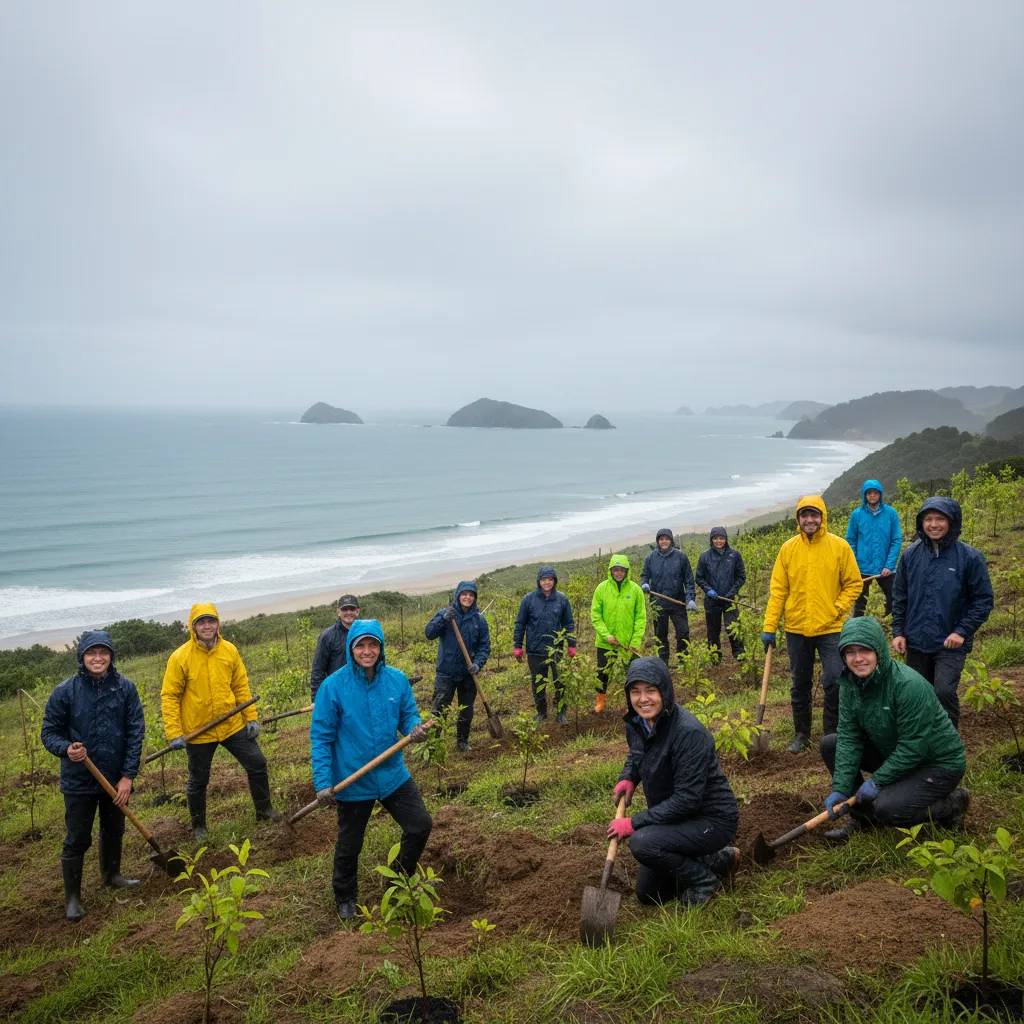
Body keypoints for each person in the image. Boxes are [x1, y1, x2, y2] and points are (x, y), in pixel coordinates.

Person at [311, 619, 433, 920]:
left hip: (392, 774)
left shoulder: (396, 680)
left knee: (420, 825)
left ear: (381, 647)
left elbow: (407, 715)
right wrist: (323, 782)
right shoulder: (333, 687)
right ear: (352, 648)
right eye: (361, 645)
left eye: (373, 645)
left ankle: (395, 879)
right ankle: (345, 896)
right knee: (350, 844)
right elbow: (321, 737)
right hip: (354, 779)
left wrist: (413, 729)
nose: (368, 651)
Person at [819, 616, 969, 843]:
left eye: (865, 651)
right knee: (832, 744)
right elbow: (850, 737)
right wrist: (841, 787)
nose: (858, 659)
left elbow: (913, 746)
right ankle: (865, 819)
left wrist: (878, 781)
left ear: (878, 650)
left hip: (936, 763)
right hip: (895, 751)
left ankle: (952, 804)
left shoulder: (908, 685)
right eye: (850, 652)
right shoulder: (850, 685)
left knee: (889, 809)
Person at [608, 657, 739, 906]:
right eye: (635, 692)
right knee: (649, 894)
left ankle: (703, 881)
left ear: (664, 691)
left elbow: (687, 800)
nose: (643, 699)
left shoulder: (689, 733)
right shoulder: (638, 722)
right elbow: (638, 752)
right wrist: (628, 777)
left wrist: (633, 822)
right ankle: (717, 860)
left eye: (651, 691)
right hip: (676, 816)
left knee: (642, 842)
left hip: (710, 819)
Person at [41, 630, 145, 921]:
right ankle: (72, 898)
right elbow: (49, 732)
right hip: (79, 780)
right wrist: (66, 749)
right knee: (77, 837)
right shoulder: (65, 691)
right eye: (91, 653)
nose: (97, 658)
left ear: (111, 656)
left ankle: (112, 876)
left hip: (115, 779)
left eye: (103, 653)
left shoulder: (126, 688)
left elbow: (135, 733)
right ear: (82, 657)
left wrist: (127, 777)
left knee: (113, 829)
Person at [161, 603, 280, 840]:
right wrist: (174, 732)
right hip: (198, 731)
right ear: (193, 626)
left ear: (218, 624)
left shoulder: (229, 651)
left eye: (211, 621)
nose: (207, 626)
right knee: (198, 779)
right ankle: (199, 828)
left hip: (231, 724)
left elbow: (240, 686)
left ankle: (264, 810)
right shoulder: (180, 657)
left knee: (257, 763)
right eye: (201, 622)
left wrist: (251, 717)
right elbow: (170, 696)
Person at [762, 497, 863, 753]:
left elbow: (854, 583)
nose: (809, 520)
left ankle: (833, 732)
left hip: (831, 628)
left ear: (822, 517)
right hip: (797, 629)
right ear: (798, 519)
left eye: (814, 515)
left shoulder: (839, 547)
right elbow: (778, 591)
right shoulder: (788, 549)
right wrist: (769, 626)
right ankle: (802, 734)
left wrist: (837, 608)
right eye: (804, 515)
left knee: (835, 679)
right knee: (800, 684)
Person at [892, 497, 994, 729]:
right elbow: (900, 597)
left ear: (951, 522)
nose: (933, 524)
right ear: (921, 523)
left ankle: (949, 745)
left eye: (940, 519)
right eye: (928, 519)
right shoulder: (910, 555)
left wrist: (962, 632)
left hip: (951, 642)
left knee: (943, 691)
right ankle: (922, 743)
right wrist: (898, 631)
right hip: (916, 640)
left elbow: (983, 600)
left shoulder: (969, 557)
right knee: (917, 693)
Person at [425, 581, 491, 751]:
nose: (467, 597)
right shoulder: (445, 614)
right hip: (446, 672)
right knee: (439, 709)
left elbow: (484, 646)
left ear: (474, 598)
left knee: (466, 709)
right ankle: (433, 744)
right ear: (458, 596)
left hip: (468, 674)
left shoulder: (479, 620)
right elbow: (429, 633)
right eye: (464, 594)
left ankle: (462, 741)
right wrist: (443, 620)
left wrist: (478, 664)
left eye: (471, 595)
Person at [513, 566, 577, 724]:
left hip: (556, 649)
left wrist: (571, 644)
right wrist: (518, 646)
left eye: (550, 579)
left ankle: (561, 713)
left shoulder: (562, 599)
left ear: (554, 581)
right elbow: (520, 624)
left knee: (560, 681)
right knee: (538, 683)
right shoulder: (528, 599)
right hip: (535, 650)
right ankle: (541, 713)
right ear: (538, 581)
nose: (547, 583)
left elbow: (568, 623)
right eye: (543, 579)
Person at [591, 554, 646, 712]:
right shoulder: (601, 589)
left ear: (627, 571)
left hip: (627, 644)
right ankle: (600, 701)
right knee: (602, 672)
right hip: (605, 643)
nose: (619, 573)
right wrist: (606, 635)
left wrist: (635, 641)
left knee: (632, 674)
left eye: (622, 570)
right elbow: (596, 616)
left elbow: (640, 617)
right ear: (611, 571)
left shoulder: (635, 590)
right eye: (615, 570)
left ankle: (633, 703)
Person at [640, 528, 698, 665]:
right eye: (661, 539)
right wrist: (644, 584)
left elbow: (689, 580)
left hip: (677, 602)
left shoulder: (681, 557)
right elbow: (644, 575)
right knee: (661, 635)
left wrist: (690, 598)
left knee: (683, 633)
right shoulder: (651, 558)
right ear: (658, 541)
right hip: (658, 603)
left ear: (671, 541)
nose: (664, 541)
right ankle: (663, 662)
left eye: (666, 539)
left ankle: (684, 660)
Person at [845, 480, 902, 618]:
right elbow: (850, 540)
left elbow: (896, 540)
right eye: (869, 493)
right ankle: (858, 630)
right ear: (865, 495)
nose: (872, 496)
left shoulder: (891, 513)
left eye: (875, 493)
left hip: (885, 568)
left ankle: (890, 624)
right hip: (862, 567)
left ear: (880, 494)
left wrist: (889, 565)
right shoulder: (857, 515)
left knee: (894, 598)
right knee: (860, 602)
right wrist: (855, 563)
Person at [695, 526, 747, 662]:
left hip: (729, 600)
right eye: (716, 538)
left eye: (721, 538)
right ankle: (715, 657)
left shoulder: (734, 555)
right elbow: (699, 577)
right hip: (712, 601)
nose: (719, 541)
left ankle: (740, 655)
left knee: (733, 627)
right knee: (713, 631)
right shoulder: (704, 556)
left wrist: (732, 592)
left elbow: (741, 576)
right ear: (711, 540)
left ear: (726, 539)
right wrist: (708, 590)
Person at [310, 594, 360, 701]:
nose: (348, 612)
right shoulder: (327, 636)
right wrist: (316, 699)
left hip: (361, 690)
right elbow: (318, 669)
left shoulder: (364, 634)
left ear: (357, 611)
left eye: (351, 609)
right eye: (344, 609)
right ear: (338, 612)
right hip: (337, 693)